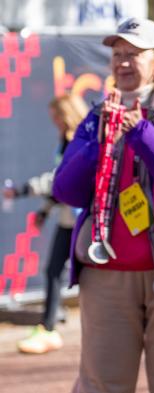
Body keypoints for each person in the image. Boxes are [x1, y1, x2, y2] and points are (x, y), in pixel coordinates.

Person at [52, 18, 154, 392]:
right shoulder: (96, 117)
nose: (123, 62)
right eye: (117, 54)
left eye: (134, 54)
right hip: (108, 274)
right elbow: (66, 190)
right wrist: (100, 139)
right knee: (102, 385)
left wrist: (139, 130)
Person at [5, 94, 88, 354]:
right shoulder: (65, 140)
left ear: (67, 114)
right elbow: (60, 186)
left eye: (57, 116)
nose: (54, 122)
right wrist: (44, 211)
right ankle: (49, 326)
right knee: (53, 270)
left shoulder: (80, 141)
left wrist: (22, 190)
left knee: (88, 275)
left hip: (83, 220)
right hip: (68, 219)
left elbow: (59, 180)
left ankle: (59, 324)